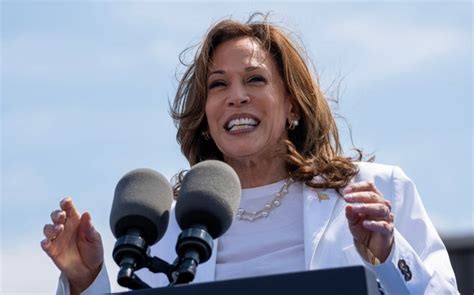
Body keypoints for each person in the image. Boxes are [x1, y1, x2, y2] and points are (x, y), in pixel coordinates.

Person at [41, 13, 458, 294]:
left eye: (255, 79)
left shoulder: (376, 191)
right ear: (205, 115)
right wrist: (84, 280)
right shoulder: (168, 228)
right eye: (219, 85)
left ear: (292, 104)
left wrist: (388, 253)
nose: (236, 97)